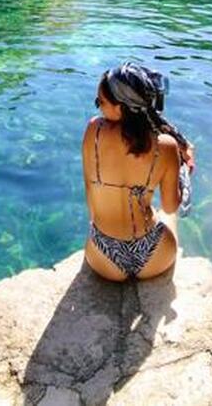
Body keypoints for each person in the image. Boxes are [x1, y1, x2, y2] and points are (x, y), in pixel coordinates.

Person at [82, 62, 196, 281]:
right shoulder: (166, 145)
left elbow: (89, 190)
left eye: (101, 102)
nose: (98, 108)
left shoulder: (93, 130)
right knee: (163, 214)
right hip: (154, 257)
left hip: (103, 259)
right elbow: (171, 206)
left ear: (121, 107)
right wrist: (184, 173)